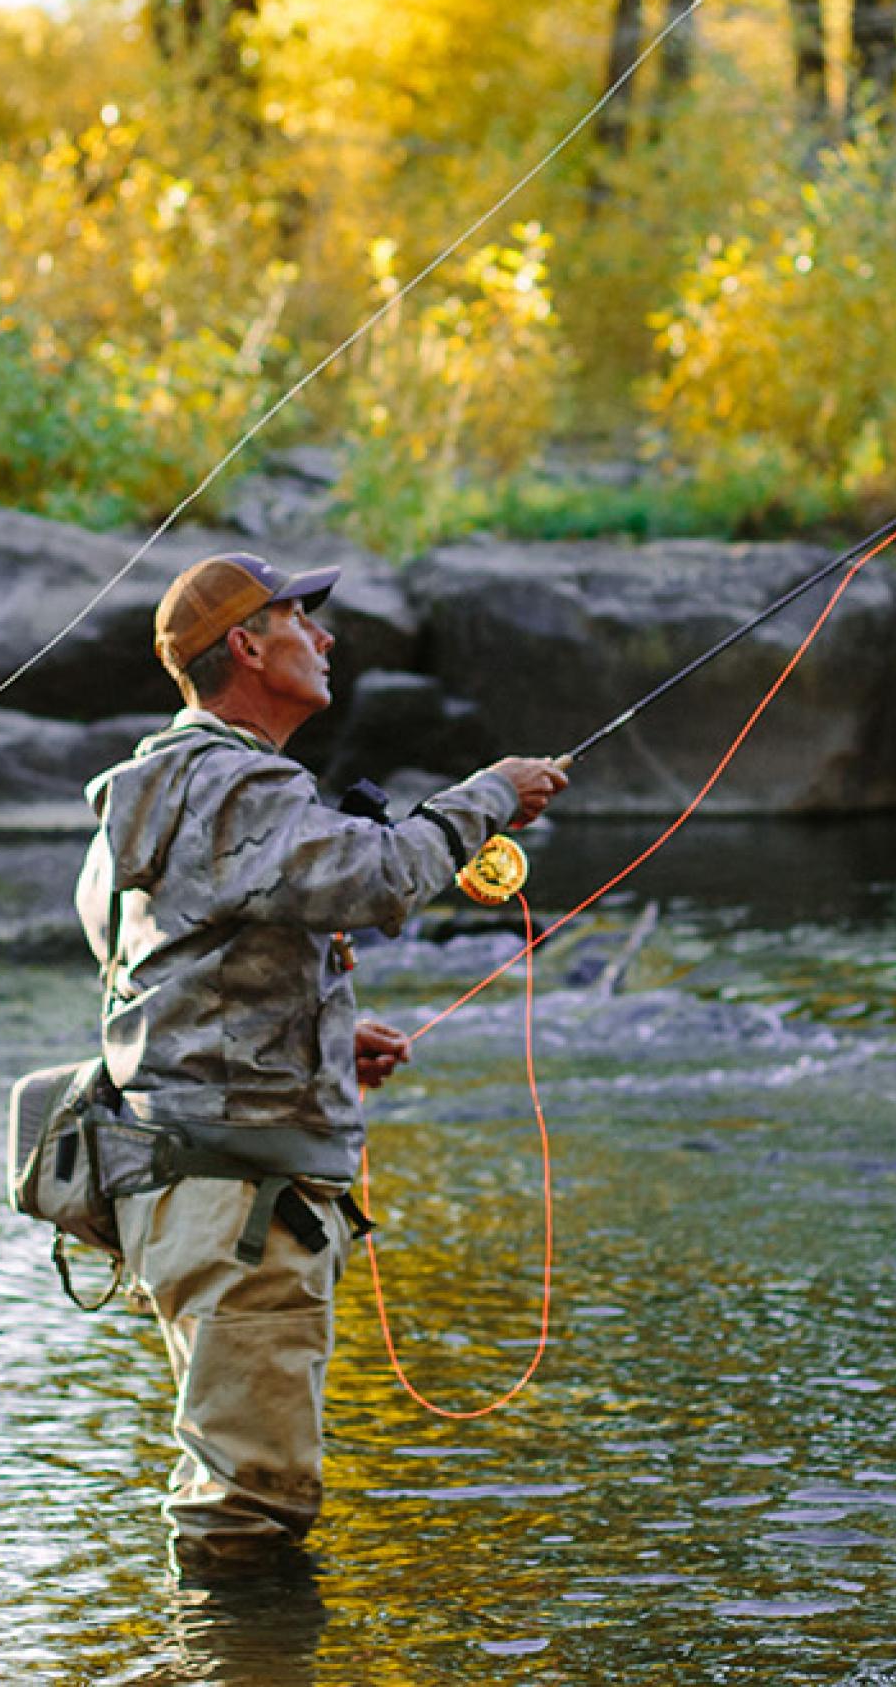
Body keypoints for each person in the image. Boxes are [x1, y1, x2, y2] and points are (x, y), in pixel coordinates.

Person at [78, 551, 565, 1570]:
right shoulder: (239, 782)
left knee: (239, 1484)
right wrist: (488, 796)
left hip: (188, 1194)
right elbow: (379, 877)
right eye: (305, 619)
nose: (329, 637)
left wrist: (319, 1034)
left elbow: (156, 961)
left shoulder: (156, 784)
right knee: (245, 1511)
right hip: (239, 1203)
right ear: (247, 647)